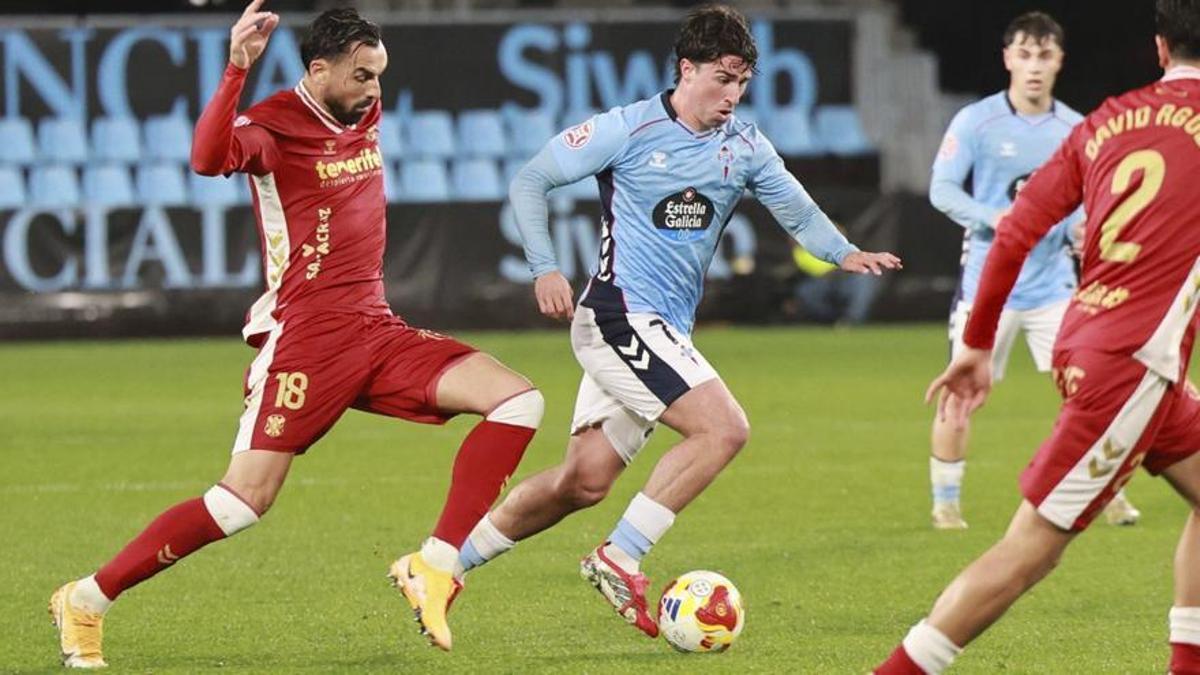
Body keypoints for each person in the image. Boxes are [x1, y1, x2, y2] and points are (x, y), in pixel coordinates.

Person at [47, 3, 542, 666]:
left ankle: (435, 563)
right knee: (240, 502)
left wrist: (361, 80)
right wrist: (236, 69)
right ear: (318, 71)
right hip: (309, 338)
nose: (375, 89)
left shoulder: (362, 109)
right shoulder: (273, 126)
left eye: (379, 74)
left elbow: (355, 116)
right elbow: (206, 158)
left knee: (517, 401)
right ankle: (86, 598)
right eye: (362, 75)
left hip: (376, 326)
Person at [451, 4, 900, 639]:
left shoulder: (744, 145)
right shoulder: (627, 129)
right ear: (686, 69)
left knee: (583, 482)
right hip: (620, 315)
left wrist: (845, 253)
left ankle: (445, 565)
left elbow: (799, 214)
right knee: (724, 429)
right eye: (722, 78)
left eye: (742, 82)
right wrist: (545, 268)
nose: (733, 95)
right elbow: (532, 180)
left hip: (661, 328)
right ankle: (620, 555)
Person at [875, 1, 1200, 671]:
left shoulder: (1104, 121)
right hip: (1132, 364)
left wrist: (975, 346)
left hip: (1093, 335)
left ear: (1161, 49)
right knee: (1031, 549)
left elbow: (1016, 229)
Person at [927, 11, 1140, 530]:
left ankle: (1109, 492)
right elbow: (942, 190)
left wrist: (1083, 228)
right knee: (961, 395)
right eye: (1025, 54)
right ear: (1008, 59)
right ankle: (946, 503)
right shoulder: (976, 121)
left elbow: (1092, 201)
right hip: (988, 287)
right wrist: (996, 218)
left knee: (1095, 390)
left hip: (1054, 288)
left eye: (1044, 55)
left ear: (1059, 61)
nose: (1035, 66)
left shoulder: (1076, 128)